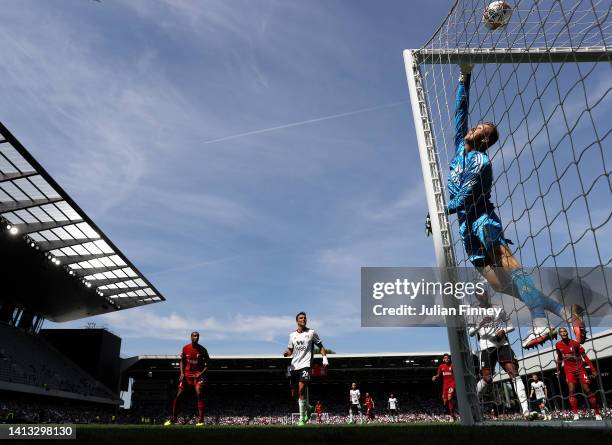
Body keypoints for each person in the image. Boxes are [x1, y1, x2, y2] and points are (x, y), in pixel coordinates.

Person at [436, 63, 585, 348]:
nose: (474, 127)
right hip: (466, 228)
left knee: (508, 262)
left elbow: (465, 198)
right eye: (477, 125)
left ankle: (539, 320)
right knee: (497, 284)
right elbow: (460, 112)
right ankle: (566, 313)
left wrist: (439, 209)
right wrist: (464, 78)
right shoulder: (459, 148)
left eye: (482, 128)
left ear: (485, 139)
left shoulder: (482, 162)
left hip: (482, 220)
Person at [468, 295, 529, 418]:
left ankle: (526, 411)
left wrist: (504, 331)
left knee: (513, 372)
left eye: (483, 293)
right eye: (478, 295)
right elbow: (470, 333)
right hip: (486, 347)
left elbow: (511, 325)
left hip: (502, 344)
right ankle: (474, 405)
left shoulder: (498, 309)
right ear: (476, 297)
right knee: (487, 379)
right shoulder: (473, 313)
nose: (481, 296)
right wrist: (481, 324)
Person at [283, 312, 328, 426]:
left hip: (306, 364)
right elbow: (290, 350)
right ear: (297, 321)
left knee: (302, 388)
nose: (303, 319)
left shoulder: (311, 333)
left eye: (305, 318)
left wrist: (324, 358)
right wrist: (287, 353)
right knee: (294, 393)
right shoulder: (292, 335)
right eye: (301, 318)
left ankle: (302, 418)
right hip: (294, 366)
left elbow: (321, 346)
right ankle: (308, 407)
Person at [164, 331, 210, 426]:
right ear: (191, 337)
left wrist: (200, 374)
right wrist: (182, 373)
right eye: (194, 336)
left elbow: (207, 365)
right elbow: (182, 362)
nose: (196, 337)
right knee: (178, 396)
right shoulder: (185, 348)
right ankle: (173, 419)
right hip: (187, 375)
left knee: (199, 393)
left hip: (197, 376)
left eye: (197, 336)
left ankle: (201, 420)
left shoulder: (203, 350)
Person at [555, 327, 601, 421]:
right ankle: (575, 413)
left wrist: (593, 369)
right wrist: (558, 370)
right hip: (569, 371)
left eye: (565, 331)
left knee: (587, 389)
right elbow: (559, 358)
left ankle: (597, 413)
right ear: (560, 334)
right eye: (562, 332)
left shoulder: (575, 343)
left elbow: (585, 357)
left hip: (580, 369)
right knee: (571, 390)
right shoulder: (558, 345)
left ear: (567, 333)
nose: (564, 333)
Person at [432, 353, 456, 419]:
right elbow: (438, 375)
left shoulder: (452, 365)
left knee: (449, 397)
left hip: (452, 384)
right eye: (445, 358)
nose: (446, 359)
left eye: (447, 357)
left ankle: (452, 415)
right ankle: (449, 412)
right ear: (443, 359)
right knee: (445, 401)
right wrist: (435, 377)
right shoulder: (441, 366)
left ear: (449, 359)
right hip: (445, 385)